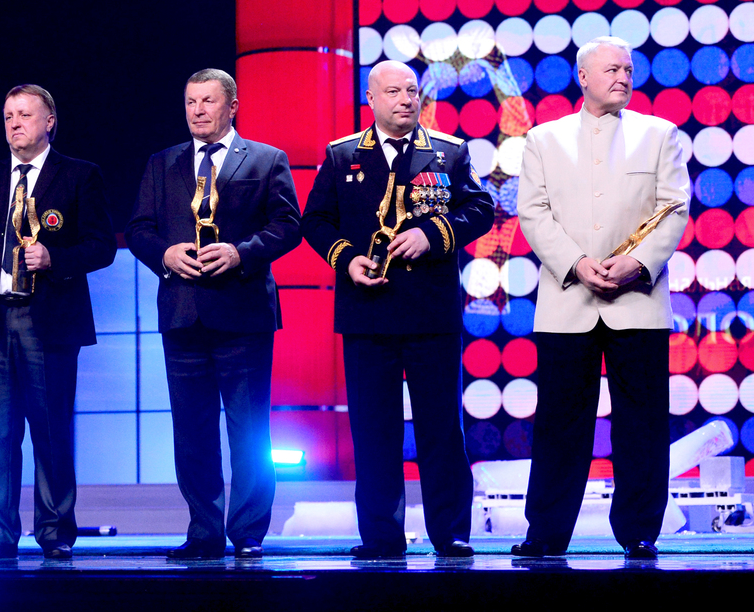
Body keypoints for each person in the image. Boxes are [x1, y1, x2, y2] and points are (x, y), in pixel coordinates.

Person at [301, 60, 494, 559]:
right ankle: (382, 537)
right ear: (371, 99)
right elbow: (315, 221)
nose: (406, 99)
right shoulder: (342, 155)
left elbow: (481, 209)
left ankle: (450, 533)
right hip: (367, 315)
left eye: (411, 90)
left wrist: (432, 234)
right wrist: (347, 259)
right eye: (394, 91)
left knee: (441, 430)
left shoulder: (450, 152)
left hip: (431, 316)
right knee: (373, 430)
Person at [515, 36, 689, 561]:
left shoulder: (660, 134)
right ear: (583, 77)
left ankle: (639, 530)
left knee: (642, 422)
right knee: (559, 423)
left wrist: (638, 262)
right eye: (611, 69)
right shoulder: (543, 138)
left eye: (628, 69)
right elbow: (533, 213)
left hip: (638, 300)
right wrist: (575, 263)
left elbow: (673, 209)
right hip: (567, 302)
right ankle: (546, 532)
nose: (623, 77)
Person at [126, 68, 302, 559]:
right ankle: (204, 532)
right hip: (182, 313)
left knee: (249, 430)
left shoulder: (266, 159)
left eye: (207, 101)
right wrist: (165, 254)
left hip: (243, 313)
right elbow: (138, 229)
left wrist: (241, 253)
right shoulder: (162, 163)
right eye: (190, 102)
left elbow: (289, 225)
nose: (197, 110)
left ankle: (247, 532)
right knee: (192, 430)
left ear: (232, 106)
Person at [0, 84, 115, 560]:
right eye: (8, 116)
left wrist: (54, 258)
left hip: (49, 321)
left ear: (49, 122)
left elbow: (101, 246)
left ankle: (55, 533)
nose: (14, 123)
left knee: (51, 429)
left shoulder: (79, 175)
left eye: (24, 114)